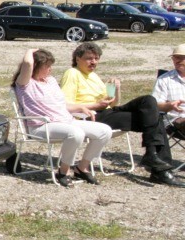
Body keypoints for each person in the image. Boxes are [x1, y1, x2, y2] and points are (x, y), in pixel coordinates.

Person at [59, 42, 182, 186]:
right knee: (155, 118)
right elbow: (66, 105)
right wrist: (95, 105)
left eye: (96, 58)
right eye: (89, 58)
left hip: (107, 112)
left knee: (149, 102)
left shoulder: (93, 76)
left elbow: (113, 104)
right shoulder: (72, 73)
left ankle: (152, 156)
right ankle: (160, 170)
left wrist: (116, 89)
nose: (93, 62)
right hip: (91, 116)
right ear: (77, 58)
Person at [13, 48, 111, 187]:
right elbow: (28, 63)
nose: (50, 69)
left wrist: (80, 108)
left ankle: (81, 168)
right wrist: (29, 50)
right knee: (76, 133)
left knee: (104, 131)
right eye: (47, 66)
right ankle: (63, 171)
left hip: (66, 121)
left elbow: (61, 105)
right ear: (36, 67)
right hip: (41, 126)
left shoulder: (50, 81)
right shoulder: (25, 84)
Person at [152, 43, 185, 151]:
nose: (177, 61)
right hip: (175, 122)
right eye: (174, 58)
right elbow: (155, 105)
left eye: (181, 57)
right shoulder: (164, 80)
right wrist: (169, 105)